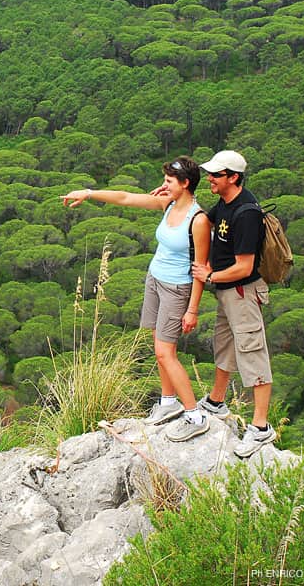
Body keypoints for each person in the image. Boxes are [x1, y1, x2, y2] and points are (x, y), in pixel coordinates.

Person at [61, 156, 211, 442]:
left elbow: (200, 270)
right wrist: (89, 193)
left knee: (165, 353)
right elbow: (126, 197)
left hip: (177, 288)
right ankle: (168, 403)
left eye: (169, 181)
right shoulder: (167, 203)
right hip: (155, 279)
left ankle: (194, 415)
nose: (163, 185)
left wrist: (192, 310)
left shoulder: (199, 220)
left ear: (185, 184)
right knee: (157, 344)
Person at [190, 150, 275, 458]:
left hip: (242, 292)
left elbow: (244, 266)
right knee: (224, 346)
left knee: (252, 353)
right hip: (228, 293)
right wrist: (176, 196)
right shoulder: (226, 203)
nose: (210, 179)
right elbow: (203, 219)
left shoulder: (246, 212)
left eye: (216, 175)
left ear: (233, 177)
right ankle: (215, 401)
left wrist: (210, 275)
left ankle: (261, 428)